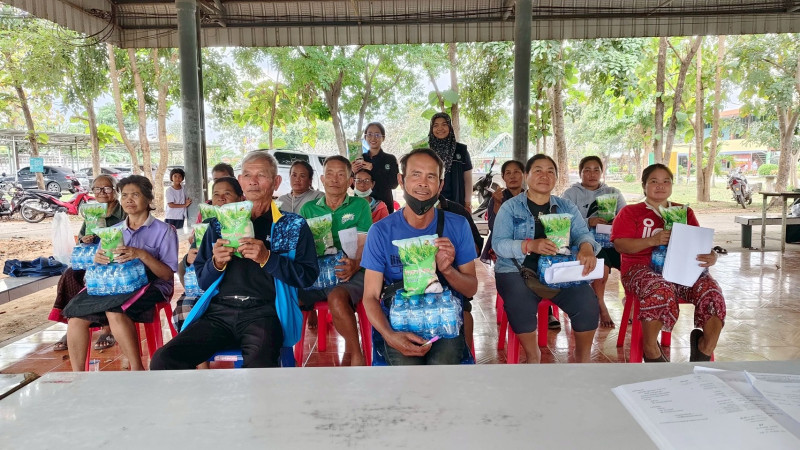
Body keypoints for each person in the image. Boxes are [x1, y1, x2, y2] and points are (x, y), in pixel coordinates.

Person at [150, 151, 318, 369]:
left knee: (259, 367)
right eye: (247, 175)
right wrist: (216, 264)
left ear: (276, 182)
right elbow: (202, 280)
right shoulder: (218, 224)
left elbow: (307, 277)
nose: (253, 181)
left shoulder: (292, 225)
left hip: (265, 313)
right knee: (163, 360)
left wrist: (268, 258)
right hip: (219, 313)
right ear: (240, 181)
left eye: (261, 175)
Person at [361, 148, 478, 365]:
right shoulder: (380, 231)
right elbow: (370, 296)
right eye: (416, 175)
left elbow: (471, 289)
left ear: (440, 185)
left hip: (442, 317)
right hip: (400, 319)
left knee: (443, 362)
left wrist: (447, 270)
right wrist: (390, 335)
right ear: (401, 180)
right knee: (408, 369)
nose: (423, 183)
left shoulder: (458, 225)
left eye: (431, 177)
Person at [611, 163, 725, 362]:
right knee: (660, 288)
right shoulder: (630, 212)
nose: (660, 186)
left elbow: (698, 242)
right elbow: (620, 245)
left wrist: (712, 256)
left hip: (682, 272)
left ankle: (704, 348)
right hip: (640, 270)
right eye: (654, 181)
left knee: (712, 291)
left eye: (666, 181)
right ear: (644, 185)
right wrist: (652, 241)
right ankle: (650, 350)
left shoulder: (684, 212)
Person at [492, 154, 600, 364]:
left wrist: (586, 247)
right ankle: (533, 355)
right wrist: (529, 245)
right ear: (527, 176)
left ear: (556, 178)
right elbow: (499, 244)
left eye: (550, 171)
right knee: (519, 303)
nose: (545, 175)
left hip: (559, 271)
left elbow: (583, 234)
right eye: (538, 170)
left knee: (587, 302)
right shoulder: (511, 207)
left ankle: (582, 358)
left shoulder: (566, 207)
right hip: (517, 271)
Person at [64, 175, 178, 371]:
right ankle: (78, 376)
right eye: (124, 195)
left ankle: (137, 369)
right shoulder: (113, 232)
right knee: (75, 316)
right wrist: (98, 259)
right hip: (114, 285)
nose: (128, 200)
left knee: (115, 311)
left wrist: (141, 254)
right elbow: (101, 267)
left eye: (135, 195)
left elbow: (167, 275)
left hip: (152, 284)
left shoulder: (164, 231)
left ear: (148, 199)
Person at [299, 156, 373, 366]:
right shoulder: (308, 209)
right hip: (318, 274)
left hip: (350, 270)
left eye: (341, 174)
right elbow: (303, 248)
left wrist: (355, 265)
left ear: (350, 180)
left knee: (337, 299)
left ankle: (357, 353)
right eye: (329, 174)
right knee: (287, 296)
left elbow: (364, 244)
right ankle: (287, 356)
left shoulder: (359, 205)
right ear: (322, 179)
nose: (334, 179)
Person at [50, 174, 126, 352]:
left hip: (115, 260)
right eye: (97, 189)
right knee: (70, 274)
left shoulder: (123, 212)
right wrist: (85, 239)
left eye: (107, 188)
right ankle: (72, 324)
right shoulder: (92, 212)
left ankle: (107, 328)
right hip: (93, 259)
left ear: (116, 190)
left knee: (106, 277)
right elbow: (81, 241)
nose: (102, 192)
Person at [562, 156, 627, 328]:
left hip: (612, 240)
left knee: (630, 261)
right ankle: (601, 304)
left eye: (596, 170)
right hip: (587, 243)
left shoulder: (613, 192)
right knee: (601, 267)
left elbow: (625, 216)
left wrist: (614, 222)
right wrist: (588, 221)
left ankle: (630, 301)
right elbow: (565, 221)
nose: (592, 174)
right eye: (587, 170)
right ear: (580, 173)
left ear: (602, 172)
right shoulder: (571, 194)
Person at [173, 177, 244, 332]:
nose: (221, 198)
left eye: (227, 194)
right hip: (205, 286)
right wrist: (188, 260)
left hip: (234, 291)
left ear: (241, 198)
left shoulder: (246, 226)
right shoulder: (206, 226)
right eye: (216, 194)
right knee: (183, 312)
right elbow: (188, 266)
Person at [428, 112, 473, 210]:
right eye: (436, 125)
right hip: (431, 203)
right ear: (431, 129)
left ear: (450, 127)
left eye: (444, 124)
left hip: (457, 201)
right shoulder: (427, 151)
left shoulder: (461, 150)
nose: (440, 128)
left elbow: (468, 179)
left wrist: (468, 203)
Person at [353, 122, 399, 213]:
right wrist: (353, 172)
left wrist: (374, 169)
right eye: (369, 134)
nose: (373, 138)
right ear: (365, 137)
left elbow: (394, 184)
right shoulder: (360, 158)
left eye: (377, 135)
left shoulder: (390, 159)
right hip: (361, 205)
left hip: (384, 206)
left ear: (383, 138)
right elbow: (352, 186)